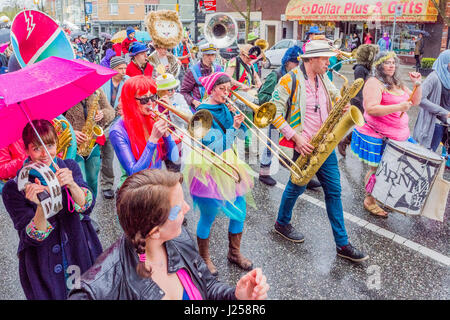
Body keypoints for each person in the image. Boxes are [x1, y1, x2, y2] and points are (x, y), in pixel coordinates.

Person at [68, 169, 269, 300]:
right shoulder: (96, 291)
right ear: (154, 231)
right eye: (178, 207)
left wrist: (237, 296)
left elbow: (208, 288)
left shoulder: (178, 239)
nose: (188, 208)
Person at [269, 39, 369, 262]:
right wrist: (296, 137)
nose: (328, 62)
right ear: (311, 59)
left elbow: (335, 97)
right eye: (324, 59)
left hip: (325, 143)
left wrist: (341, 103)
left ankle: (342, 244)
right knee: (296, 187)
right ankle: (281, 223)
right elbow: (272, 113)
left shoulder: (324, 78)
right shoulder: (289, 80)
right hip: (302, 145)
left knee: (334, 191)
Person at [1, 119, 103, 299]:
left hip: (78, 251)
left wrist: (72, 184)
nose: (45, 154)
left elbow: (86, 207)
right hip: (42, 261)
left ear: (57, 143)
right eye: (36, 148)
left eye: (49, 145)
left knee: (84, 294)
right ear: (26, 150)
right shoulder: (14, 188)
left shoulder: (69, 167)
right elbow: (31, 237)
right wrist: (41, 207)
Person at [183, 72, 255, 275]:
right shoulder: (202, 113)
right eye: (222, 89)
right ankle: (204, 257)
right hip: (208, 167)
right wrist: (233, 128)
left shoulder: (226, 107)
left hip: (229, 164)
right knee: (209, 215)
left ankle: (234, 253)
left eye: (228, 89)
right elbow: (215, 146)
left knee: (240, 210)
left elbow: (240, 137)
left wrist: (240, 122)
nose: (226, 93)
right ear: (211, 90)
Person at [350, 51, 422, 218]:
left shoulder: (396, 82)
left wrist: (417, 84)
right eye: (387, 63)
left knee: (391, 170)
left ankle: (381, 196)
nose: (391, 65)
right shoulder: (374, 82)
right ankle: (369, 200)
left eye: (393, 62)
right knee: (377, 170)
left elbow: (415, 101)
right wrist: (398, 108)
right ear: (379, 65)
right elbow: (371, 108)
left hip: (399, 137)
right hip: (378, 136)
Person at [109, 75, 179, 188]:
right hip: (137, 192)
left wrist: (167, 135)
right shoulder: (117, 131)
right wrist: (153, 140)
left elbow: (174, 159)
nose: (150, 103)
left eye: (153, 97)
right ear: (130, 101)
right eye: (144, 99)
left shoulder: (151, 118)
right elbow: (134, 173)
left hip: (158, 185)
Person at [257, 45, 302, 186]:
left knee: (297, 143)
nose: (299, 66)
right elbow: (262, 96)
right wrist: (276, 101)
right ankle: (264, 173)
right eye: (296, 62)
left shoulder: (297, 75)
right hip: (276, 115)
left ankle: (300, 173)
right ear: (288, 62)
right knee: (272, 143)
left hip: (292, 115)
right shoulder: (275, 75)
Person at [64, 90, 115, 199]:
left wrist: (103, 113)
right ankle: (80, 213)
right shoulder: (65, 93)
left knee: (92, 180)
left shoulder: (98, 91)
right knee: (80, 181)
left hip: (93, 145)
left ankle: (89, 210)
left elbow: (111, 111)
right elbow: (56, 118)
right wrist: (71, 132)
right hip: (74, 147)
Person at [338, 44, 379, 157]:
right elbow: (359, 88)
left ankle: (348, 142)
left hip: (366, 99)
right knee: (364, 126)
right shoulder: (360, 69)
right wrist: (366, 103)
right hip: (360, 100)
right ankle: (344, 141)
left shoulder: (366, 68)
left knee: (367, 126)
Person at [99, 56, 130, 199]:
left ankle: (121, 183)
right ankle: (106, 184)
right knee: (106, 155)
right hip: (104, 122)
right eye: (120, 68)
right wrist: (105, 111)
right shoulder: (102, 81)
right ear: (112, 69)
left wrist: (125, 107)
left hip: (121, 122)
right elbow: (97, 101)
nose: (124, 71)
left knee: (121, 154)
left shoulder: (128, 81)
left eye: (125, 68)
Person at [413, 50, 450, 154]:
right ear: (445, 62)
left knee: (435, 154)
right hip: (432, 123)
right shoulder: (433, 77)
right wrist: (444, 112)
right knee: (425, 153)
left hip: (444, 124)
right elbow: (420, 98)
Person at [155, 71, 192, 172]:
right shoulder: (153, 101)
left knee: (174, 168)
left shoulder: (178, 97)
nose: (173, 91)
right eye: (169, 90)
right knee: (156, 169)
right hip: (159, 138)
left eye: (174, 88)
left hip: (176, 136)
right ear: (160, 91)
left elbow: (188, 119)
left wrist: (172, 107)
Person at [179, 43, 223, 112]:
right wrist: (193, 101)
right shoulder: (192, 71)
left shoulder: (219, 69)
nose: (210, 58)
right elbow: (184, 92)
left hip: (216, 109)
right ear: (202, 55)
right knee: (197, 123)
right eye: (208, 55)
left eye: (213, 55)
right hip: (198, 110)